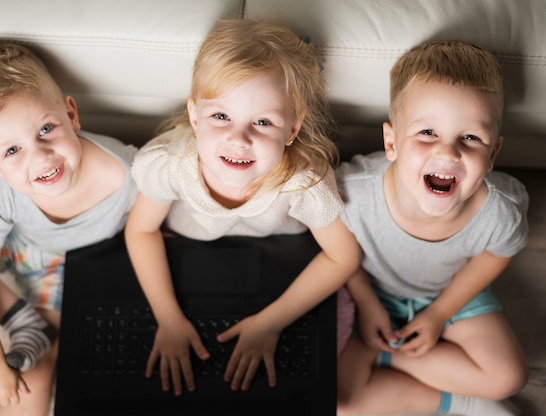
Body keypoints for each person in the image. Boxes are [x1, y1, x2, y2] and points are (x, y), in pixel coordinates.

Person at [124, 18, 361, 397]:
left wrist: (271, 323)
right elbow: (140, 230)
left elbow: (343, 255)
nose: (240, 138)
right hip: (189, 249)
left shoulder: (303, 180)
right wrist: (168, 319)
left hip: (279, 256)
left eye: (263, 121)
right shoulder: (168, 162)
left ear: (293, 131)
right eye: (221, 116)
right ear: (194, 115)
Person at [0, 41, 138, 415]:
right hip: (16, 238)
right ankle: (21, 320)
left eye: (46, 129)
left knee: (32, 374)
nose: (39, 156)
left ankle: (40, 333)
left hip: (66, 269)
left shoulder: (129, 173)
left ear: (71, 114)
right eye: (11, 151)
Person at [335, 40, 529, 415]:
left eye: (470, 138)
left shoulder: (500, 211)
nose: (448, 152)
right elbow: (338, 248)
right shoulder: (353, 192)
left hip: (449, 293)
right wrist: (364, 299)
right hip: (369, 296)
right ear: (391, 142)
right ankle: (455, 401)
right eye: (427, 133)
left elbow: (498, 253)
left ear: (493, 155)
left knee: (508, 377)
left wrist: (439, 313)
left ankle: (386, 361)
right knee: (340, 404)